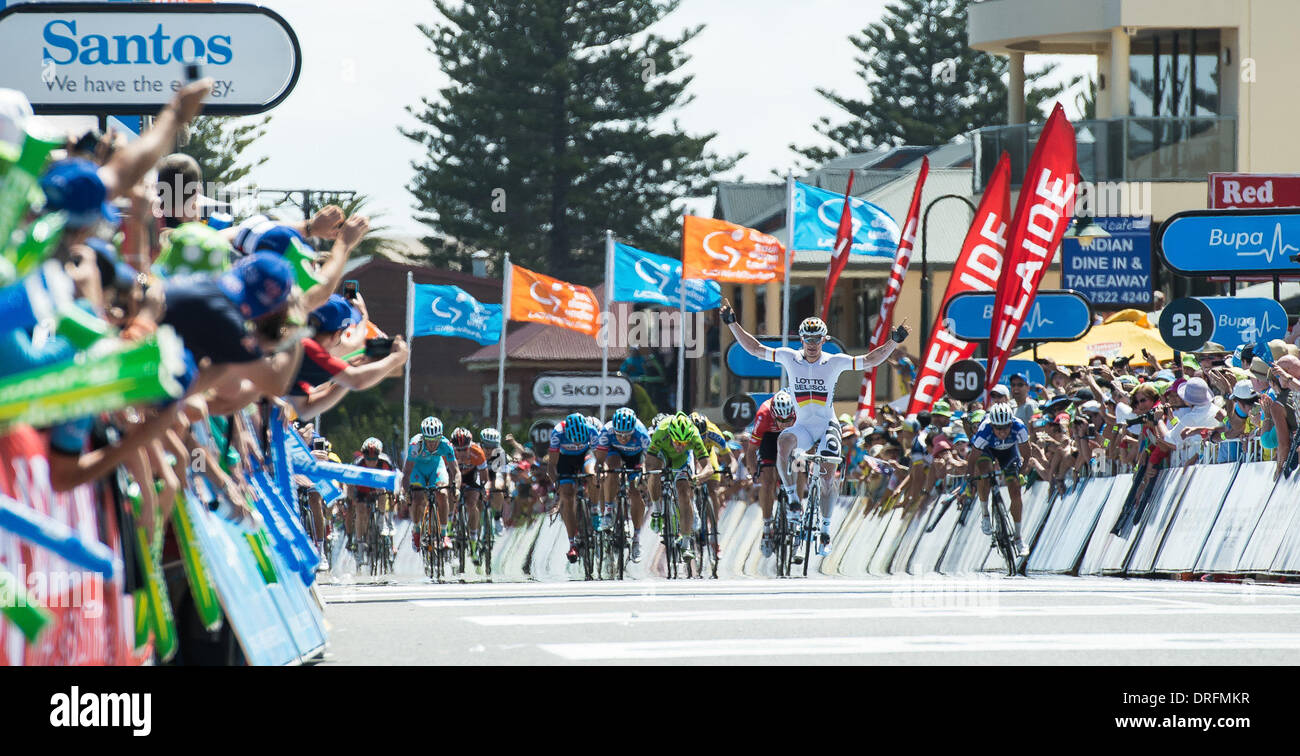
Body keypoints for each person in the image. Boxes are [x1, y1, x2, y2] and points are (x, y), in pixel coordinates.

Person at [721, 300, 907, 553]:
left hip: (828, 425)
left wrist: (893, 342)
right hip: (804, 429)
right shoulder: (789, 356)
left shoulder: (835, 361)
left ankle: (827, 531)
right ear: (801, 339)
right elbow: (754, 348)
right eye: (807, 338)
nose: (811, 344)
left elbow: (871, 359)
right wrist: (733, 325)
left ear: (824, 339)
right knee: (783, 442)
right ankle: (793, 498)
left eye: (816, 338)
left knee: (829, 476)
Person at [645, 412, 712, 563]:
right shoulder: (661, 431)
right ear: (670, 435)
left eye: (684, 443)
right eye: (677, 442)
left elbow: (709, 468)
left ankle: (686, 543)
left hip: (681, 461)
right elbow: (649, 461)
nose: (680, 446)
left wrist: (697, 478)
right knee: (654, 472)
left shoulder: (694, 436)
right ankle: (656, 511)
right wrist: (647, 475)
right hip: (661, 454)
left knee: (683, 491)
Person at [968, 402, 1032, 557]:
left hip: (1009, 453)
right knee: (984, 471)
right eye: (998, 429)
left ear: (1011, 423)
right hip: (987, 451)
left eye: (1006, 428)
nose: (1002, 432)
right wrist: (970, 478)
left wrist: (1020, 472)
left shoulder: (1019, 427)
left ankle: (1018, 538)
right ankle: (984, 514)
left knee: (1015, 490)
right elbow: (972, 460)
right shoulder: (985, 430)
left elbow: (1027, 455)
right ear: (992, 426)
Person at [593, 407, 651, 562]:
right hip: (614, 454)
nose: (624, 438)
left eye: (627, 435)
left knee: (635, 491)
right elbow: (599, 460)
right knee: (611, 468)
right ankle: (609, 510)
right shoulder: (607, 431)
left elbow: (649, 459)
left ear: (633, 430)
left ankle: (637, 538)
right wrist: (601, 471)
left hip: (636, 457)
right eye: (619, 434)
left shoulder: (641, 433)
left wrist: (643, 473)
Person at [746, 390, 798, 557]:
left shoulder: (799, 412)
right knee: (767, 480)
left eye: (787, 419)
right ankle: (767, 526)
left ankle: (796, 507)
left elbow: (808, 443)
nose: (783, 423)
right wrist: (755, 473)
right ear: (773, 413)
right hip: (769, 438)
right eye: (780, 420)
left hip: (792, 438)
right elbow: (751, 450)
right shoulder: (763, 414)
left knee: (800, 466)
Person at [403, 416, 460, 553]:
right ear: (424, 437)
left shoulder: (446, 445)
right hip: (418, 470)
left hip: (436, 468)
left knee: (442, 494)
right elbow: (407, 472)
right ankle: (417, 530)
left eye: (436, 440)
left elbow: (456, 471)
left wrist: (456, 488)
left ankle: (444, 534)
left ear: (440, 437)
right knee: (417, 497)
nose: (433, 444)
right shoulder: (415, 445)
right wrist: (406, 492)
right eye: (429, 441)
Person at [548, 412, 598, 563]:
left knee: (591, 474)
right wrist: (556, 485)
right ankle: (572, 543)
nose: (576, 444)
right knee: (568, 498)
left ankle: (595, 510)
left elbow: (600, 458)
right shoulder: (558, 432)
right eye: (574, 441)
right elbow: (552, 465)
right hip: (565, 460)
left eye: (579, 441)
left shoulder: (591, 430)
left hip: (585, 456)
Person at [350, 437, 396, 563]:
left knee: (383, 491)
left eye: (374, 458)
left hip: (378, 488)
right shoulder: (358, 463)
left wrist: (395, 495)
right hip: (362, 491)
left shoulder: (386, 462)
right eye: (367, 458)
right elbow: (349, 484)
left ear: (379, 455)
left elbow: (395, 481)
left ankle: (382, 521)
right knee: (360, 512)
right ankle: (360, 546)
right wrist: (351, 499)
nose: (370, 461)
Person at [449, 427, 489, 565]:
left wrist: (483, 489)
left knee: (472, 504)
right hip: (452, 476)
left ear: (470, 446)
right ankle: (449, 525)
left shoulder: (477, 452)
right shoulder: (447, 451)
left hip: (471, 478)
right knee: (449, 494)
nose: (461, 453)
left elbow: (484, 477)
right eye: (458, 450)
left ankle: (473, 542)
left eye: (464, 449)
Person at [480, 428, 509, 535]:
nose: (488, 450)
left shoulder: (500, 453)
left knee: (498, 487)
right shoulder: (477, 450)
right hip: (481, 473)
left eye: (492, 447)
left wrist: (505, 490)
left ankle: (497, 517)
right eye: (486, 446)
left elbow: (504, 474)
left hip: (495, 473)